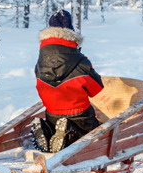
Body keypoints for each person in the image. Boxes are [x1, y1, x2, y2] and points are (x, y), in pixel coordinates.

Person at [34, 9, 104, 153]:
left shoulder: (40, 63)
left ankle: (47, 131)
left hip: (51, 115)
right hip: (81, 116)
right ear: (71, 33)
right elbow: (96, 89)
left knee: (55, 124)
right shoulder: (80, 61)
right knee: (92, 133)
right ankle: (68, 131)